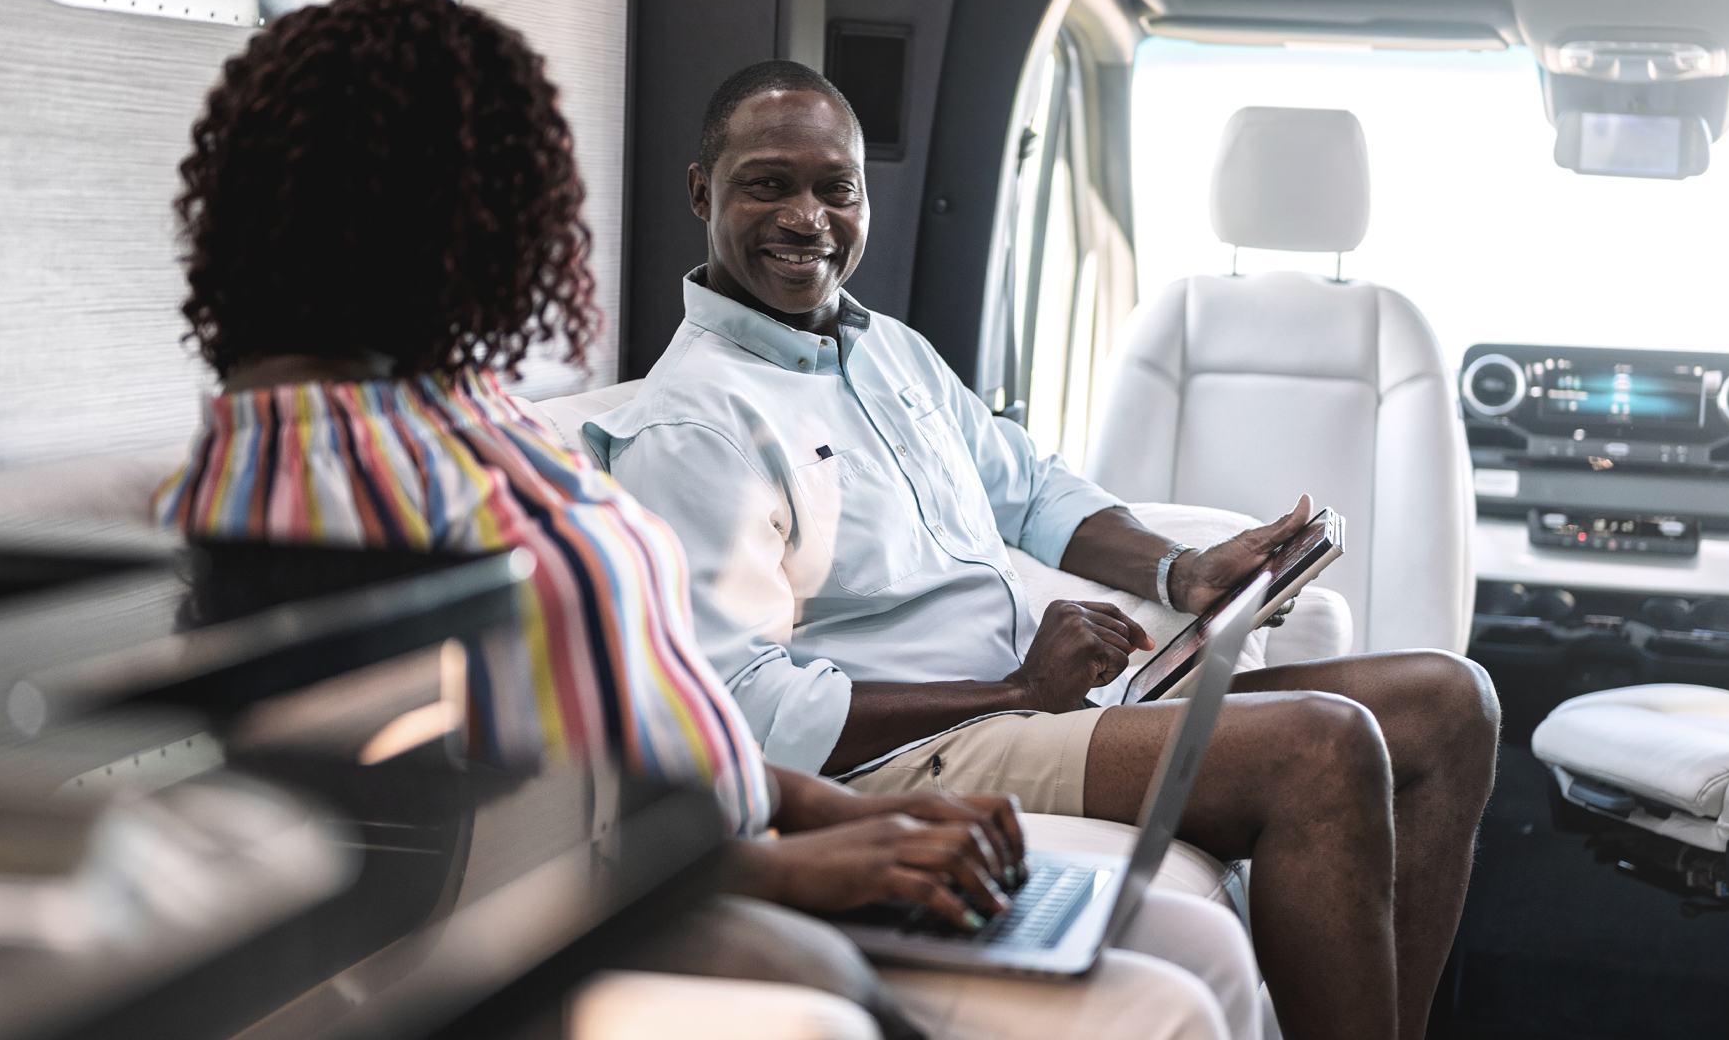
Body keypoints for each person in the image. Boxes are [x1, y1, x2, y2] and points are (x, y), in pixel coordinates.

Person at [156, 0, 1261, 1040]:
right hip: (665, 908)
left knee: (1195, 949)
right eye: (508, 190)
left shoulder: (450, 410)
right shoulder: (312, 491)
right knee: (1170, 1000)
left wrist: (831, 817)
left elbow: (646, 730)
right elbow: (440, 849)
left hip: (740, 834)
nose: (540, 228)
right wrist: (792, 863)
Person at [585, 59, 1503, 1040]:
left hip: (1047, 703)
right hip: (917, 749)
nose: (807, 216)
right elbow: (749, 714)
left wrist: (1178, 571)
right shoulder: (695, 427)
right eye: (768, 183)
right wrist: (1013, 693)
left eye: (835, 187)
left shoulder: (883, 347)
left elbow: (1027, 487)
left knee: (1449, 702)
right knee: (1323, 750)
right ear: (700, 192)